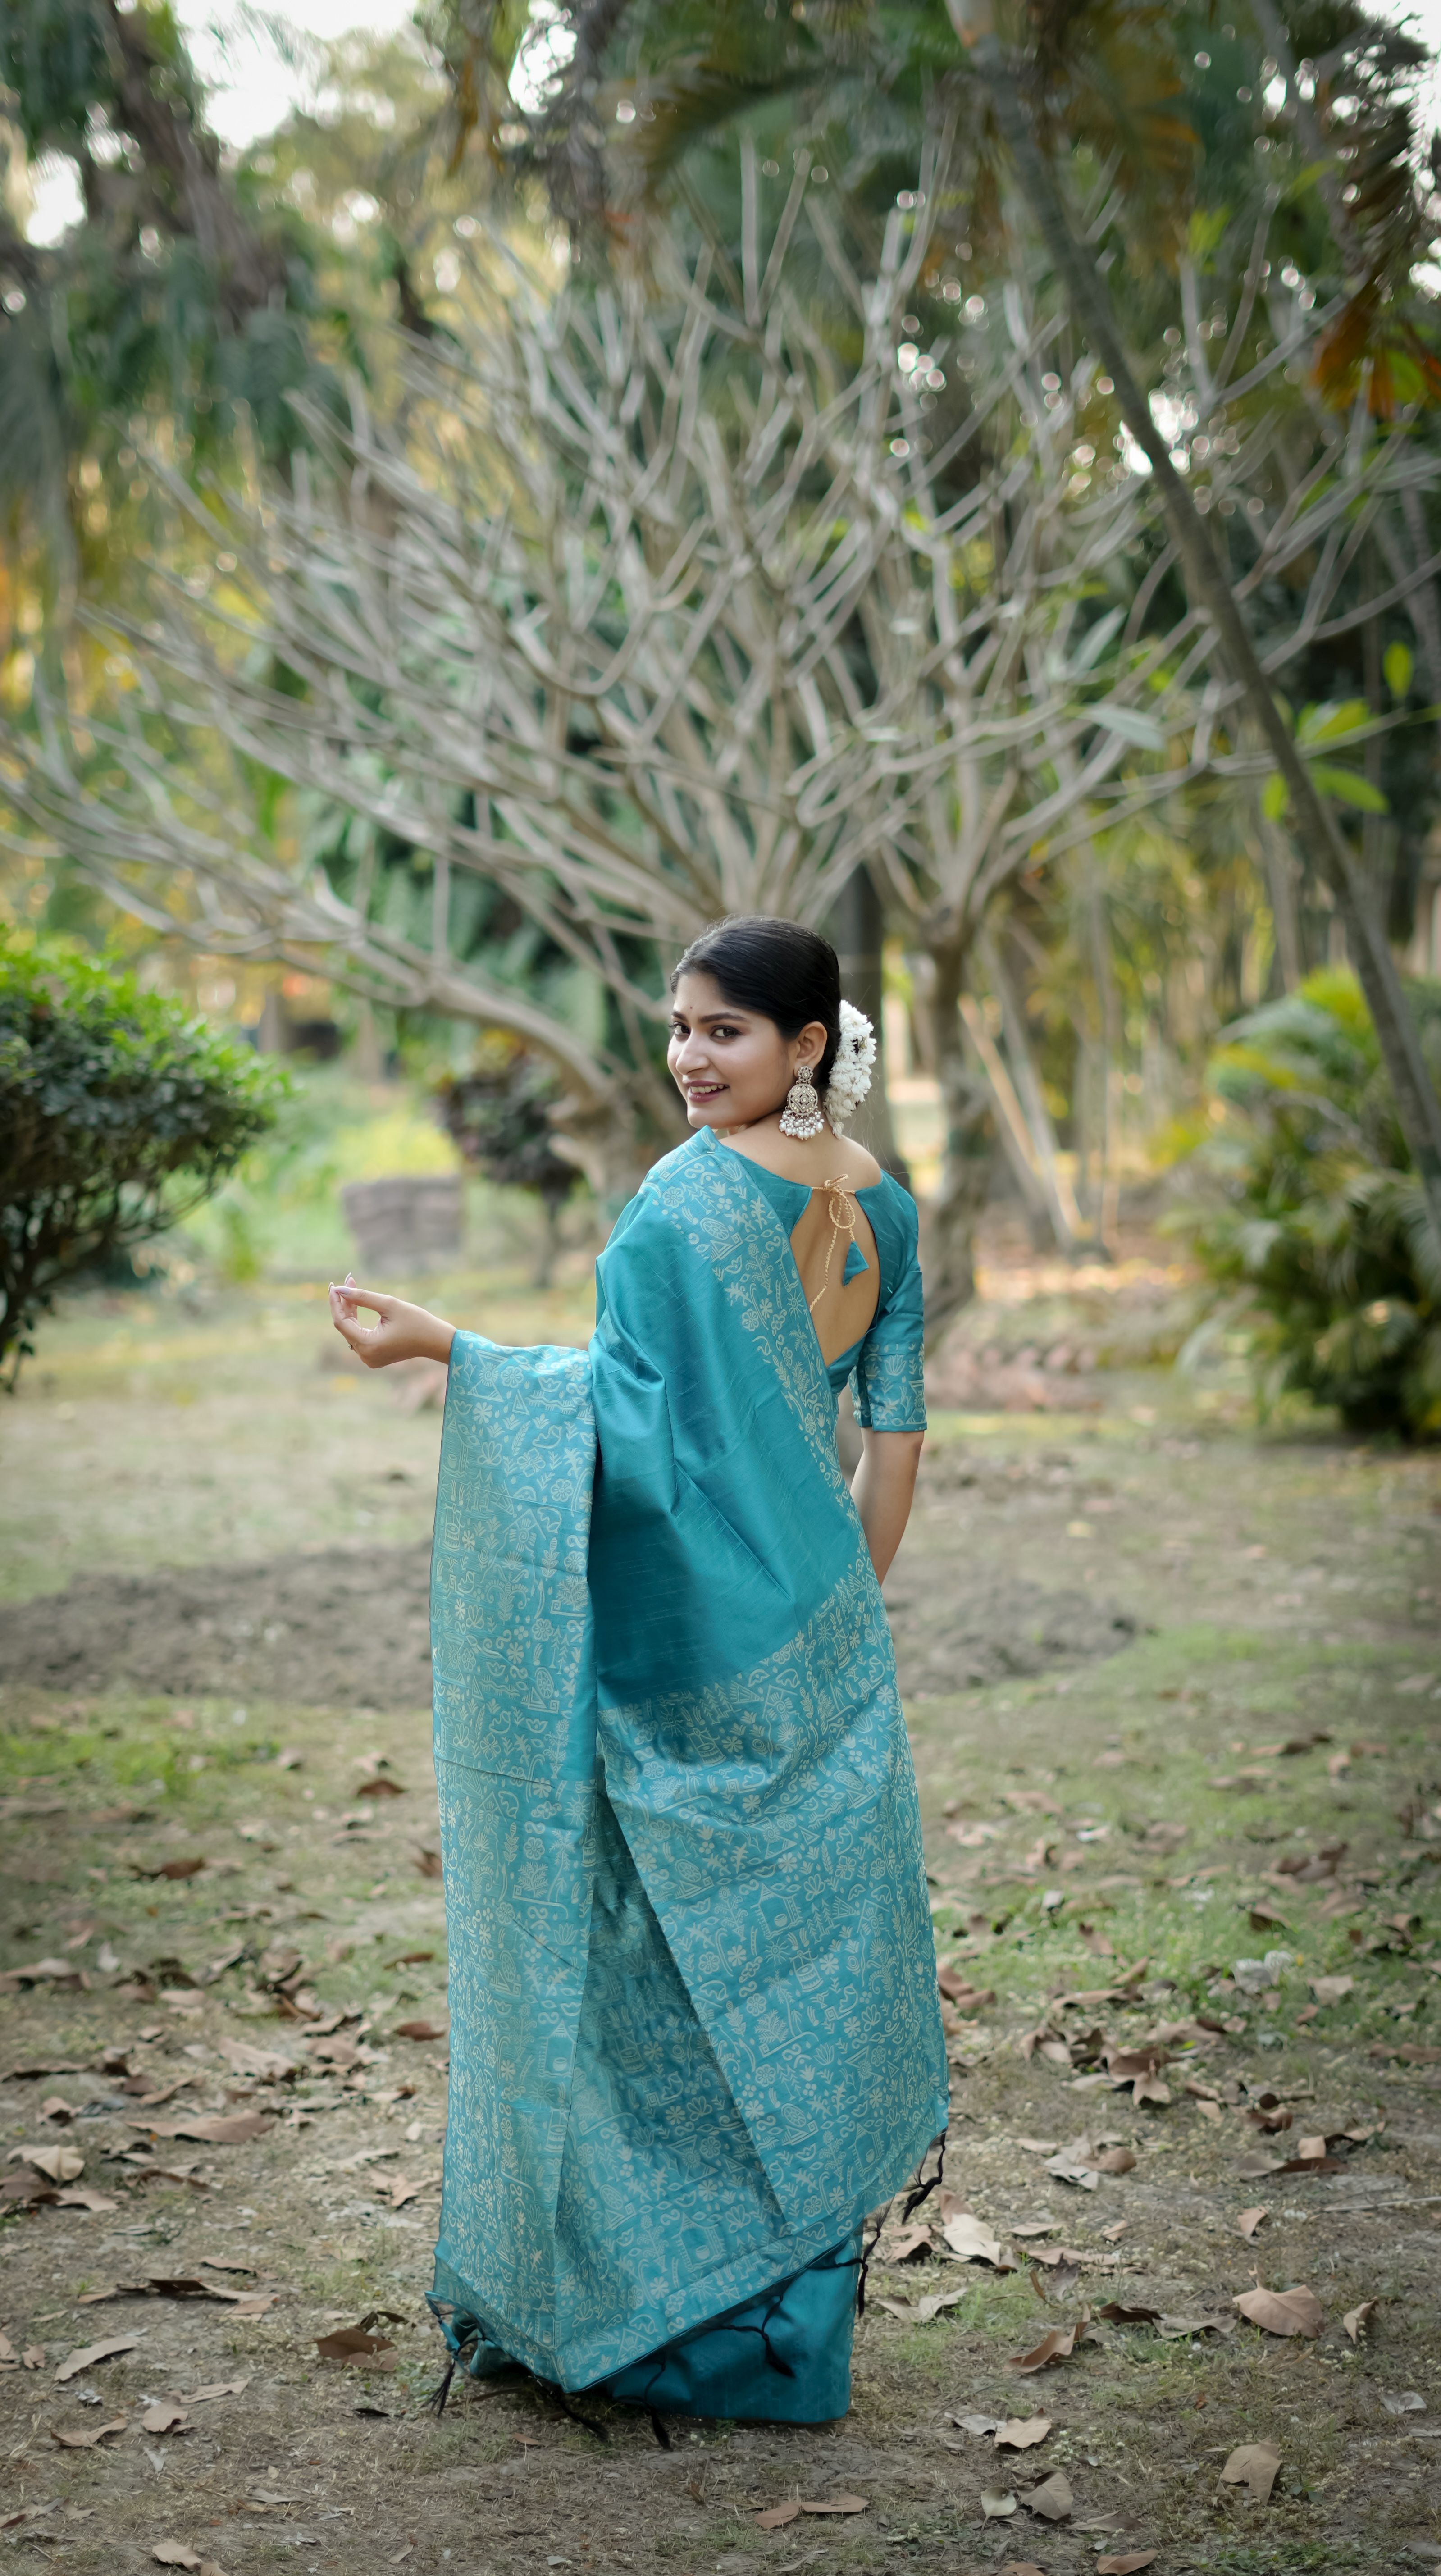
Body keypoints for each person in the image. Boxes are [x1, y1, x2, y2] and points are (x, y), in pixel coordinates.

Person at [328, 914, 946, 2427]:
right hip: (823, 1633)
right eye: (680, 1026)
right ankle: (791, 2326)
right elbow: (896, 1437)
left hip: (692, 1641)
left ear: (807, 1045)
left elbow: (619, 1416)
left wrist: (451, 1350)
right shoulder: (887, 1207)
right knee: (791, 1963)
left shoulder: (688, 1202)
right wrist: (843, 1612)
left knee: (655, 1949)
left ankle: (662, 2316)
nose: (688, 1056)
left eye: (723, 1030)